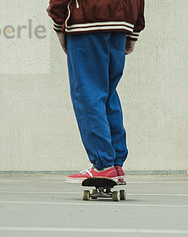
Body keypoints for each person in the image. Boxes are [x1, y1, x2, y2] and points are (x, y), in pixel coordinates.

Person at [47, 0, 145, 184]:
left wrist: (59, 24)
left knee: (87, 93)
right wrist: (134, 30)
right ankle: (115, 164)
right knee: (108, 94)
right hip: (121, 24)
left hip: (87, 21)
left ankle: (103, 165)